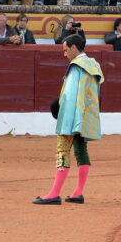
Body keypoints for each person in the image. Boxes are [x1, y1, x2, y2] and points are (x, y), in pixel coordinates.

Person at [34, 33, 103, 205]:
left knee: (62, 152)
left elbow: (69, 95)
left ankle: (54, 193)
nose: (64, 54)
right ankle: (78, 192)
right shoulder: (93, 65)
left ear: (74, 47)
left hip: (71, 117)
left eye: (65, 50)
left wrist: (63, 114)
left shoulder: (76, 66)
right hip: (85, 116)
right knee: (81, 152)